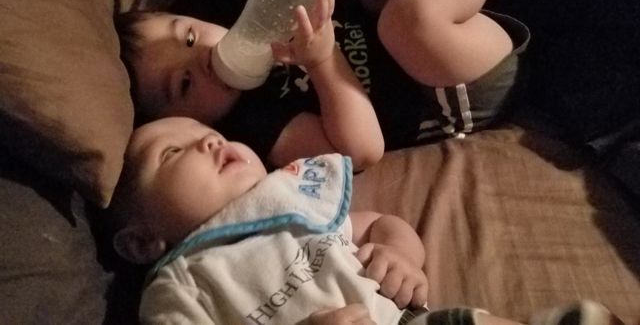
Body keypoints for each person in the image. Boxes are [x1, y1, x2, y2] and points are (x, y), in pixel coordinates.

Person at [116, 0, 530, 170]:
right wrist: (322, 61)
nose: (202, 58)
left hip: (415, 29)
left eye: (189, 37)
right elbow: (364, 150)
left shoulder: (246, 21)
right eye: (184, 83)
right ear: (185, 124)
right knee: (407, 23)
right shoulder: (255, 124)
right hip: (445, 91)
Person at [108, 116, 619, 325]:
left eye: (208, 132)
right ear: (142, 242)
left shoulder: (293, 205)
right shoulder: (180, 285)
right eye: (172, 153)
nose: (208, 140)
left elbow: (380, 225)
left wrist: (401, 256)